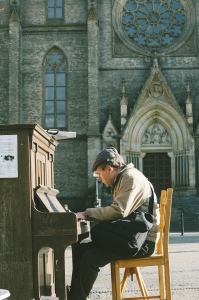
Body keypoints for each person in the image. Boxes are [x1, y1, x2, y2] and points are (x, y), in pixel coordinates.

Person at [68, 147, 160, 300]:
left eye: (99, 174)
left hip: (142, 244)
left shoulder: (130, 178)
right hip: (131, 238)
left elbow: (118, 211)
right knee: (81, 249)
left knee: (90, 258)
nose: (99, 179)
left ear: (109, 169)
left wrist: (86, 214)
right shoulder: (125, 177)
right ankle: (75, 296)